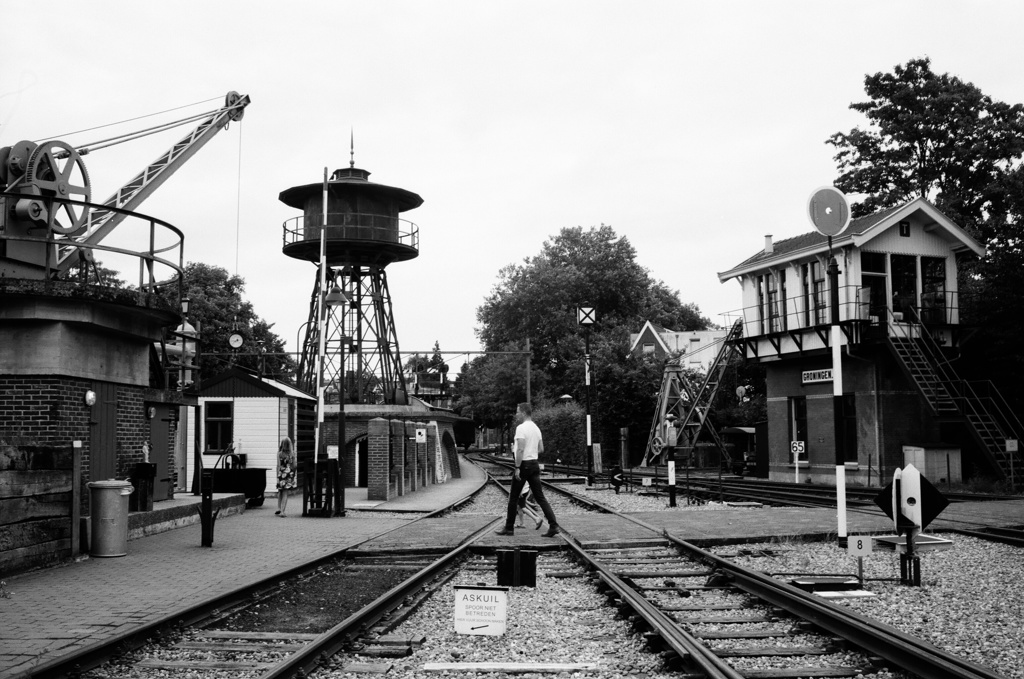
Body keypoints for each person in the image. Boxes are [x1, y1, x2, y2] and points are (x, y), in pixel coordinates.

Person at [495, 403, 559, 537]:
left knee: (513, 498)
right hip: (534, 464)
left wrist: (517, 467)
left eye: (518, 412)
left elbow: (520, 449)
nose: (516, 414)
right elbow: (541, 449)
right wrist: (532, 452)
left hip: (524, 464)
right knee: (540, 497)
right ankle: (553, 526)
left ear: (523, 413)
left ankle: (509, 528)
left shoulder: (521, 428)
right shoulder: (536, 428)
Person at [276, 437, 296, 517]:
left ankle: (279, 508)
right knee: (285, 493)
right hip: (288, 474)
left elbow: (278, 465)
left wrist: (277, 476)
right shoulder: (292, 453)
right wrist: (293, 475)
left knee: (280, 491)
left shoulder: (279, 454)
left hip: (281, 474)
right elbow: (294, 466)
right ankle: (282, 511)